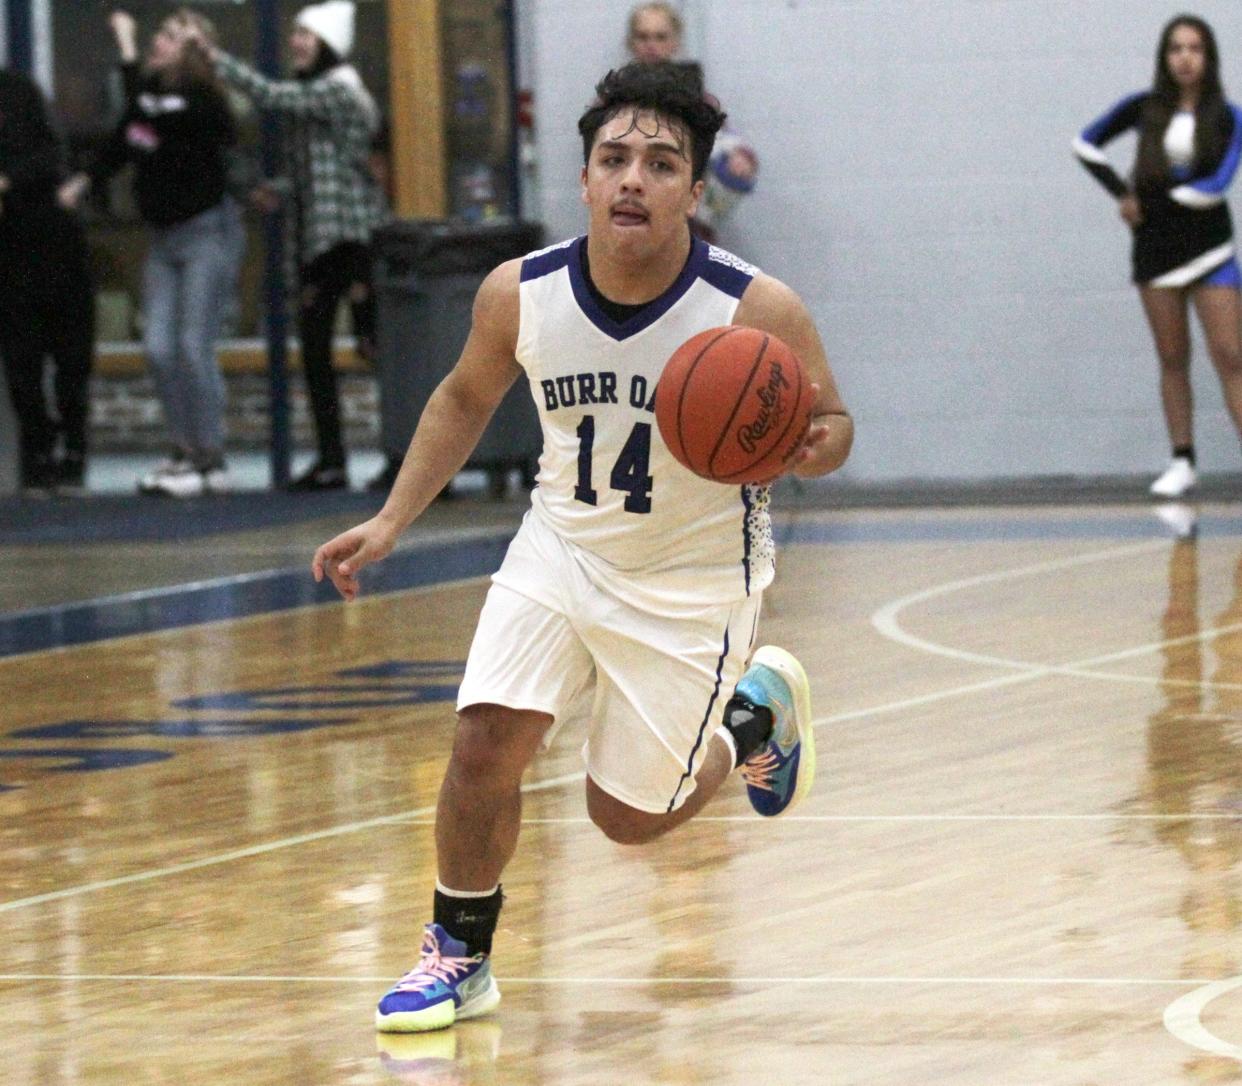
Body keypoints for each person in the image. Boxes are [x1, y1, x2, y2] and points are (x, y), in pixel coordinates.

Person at [311, 62, 853, 1033]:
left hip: (691, 582)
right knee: (484, 738)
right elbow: (463, 400)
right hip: (560, 548)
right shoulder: (520, 293)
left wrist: (814, 441)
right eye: (614, 159)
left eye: (659, 162)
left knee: (627, 819)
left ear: (695, 189)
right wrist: (391, 519)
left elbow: (836, 419)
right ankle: (460, 957)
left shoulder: (755, 309)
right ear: (586, 181)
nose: (633, 179)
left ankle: (756, 724)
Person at [179, 0, 389, 492]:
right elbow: (326, 170)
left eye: (305, 36)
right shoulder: (323, 94)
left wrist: (215, 58)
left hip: (352, 238)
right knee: (316, 350)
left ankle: (407, 459)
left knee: (375, 349)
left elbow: (272, 96)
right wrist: (282, 189)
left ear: (328, 45)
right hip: (323, 240)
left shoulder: (338, 92)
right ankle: (332, 460)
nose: (295, 43)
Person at [61, 8, 241, 499]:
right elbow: (127, 136)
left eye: (174, 37)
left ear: (196, 51)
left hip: (207, 230)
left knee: (190, 344)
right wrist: (84, 181)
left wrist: (140, 56)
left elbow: (214, 126)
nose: (161, 41)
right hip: (164, 238)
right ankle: (185, 450)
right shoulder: (148, 100)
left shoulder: (203, 98)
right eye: (162, 34)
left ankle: (211, 455)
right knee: (158, 347)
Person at [1075, 14, 1242, 498]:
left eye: (1195, 48)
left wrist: (1156, 199)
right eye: (1176, 48)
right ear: (1164, 58)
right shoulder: (1143, 107)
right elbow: (1084, 145)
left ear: (1208, 58)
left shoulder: (1229, 117)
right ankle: (1182, 460)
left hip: (1210, 247)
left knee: (1231, 356)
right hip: (1155, 249)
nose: (1185, 57)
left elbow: (1215, 186)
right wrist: (1122, 194)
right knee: (1172, 357)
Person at [0, 66, 95, 496]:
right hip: (11, 255)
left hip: (54, 246)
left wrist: (8, 180)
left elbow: (47, 157)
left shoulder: (16, 92)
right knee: (23, 365)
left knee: (70, 362)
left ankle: (72, 450)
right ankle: (39, 453)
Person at [626, 1, 758, 244]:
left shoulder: (698, 99)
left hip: (687, 228)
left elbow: (725, 140)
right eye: (643, 37)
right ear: (631, 43)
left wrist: (740, 158)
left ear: (675, 42)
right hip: (631, 224)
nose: (651, 45)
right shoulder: (613, 101)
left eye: (660, 37)